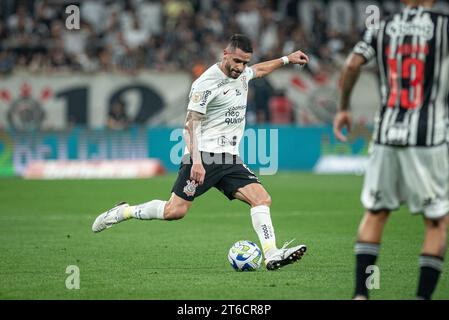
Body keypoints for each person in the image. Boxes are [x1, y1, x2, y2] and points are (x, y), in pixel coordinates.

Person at [92, 34, 310, 271]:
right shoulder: (205, 84)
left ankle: (271, 254)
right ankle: (124, 211)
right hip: (203, 156)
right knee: (174, 211)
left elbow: (258, 70)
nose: (241, 67)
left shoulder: (243, 74)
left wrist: (287, 59)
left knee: (261, 199)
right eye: (237, 61)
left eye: (245, 62)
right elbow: (189, 126)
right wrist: (196, 161)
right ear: (225, 54)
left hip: (229, 158)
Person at [333, 0, 449, 299]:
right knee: (436, 222)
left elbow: (352, 64)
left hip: (386, 134)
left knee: (376, 213)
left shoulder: (381, 26)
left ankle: (361, 294)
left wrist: (343, 108)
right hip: (428, 136)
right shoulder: (443, 24)